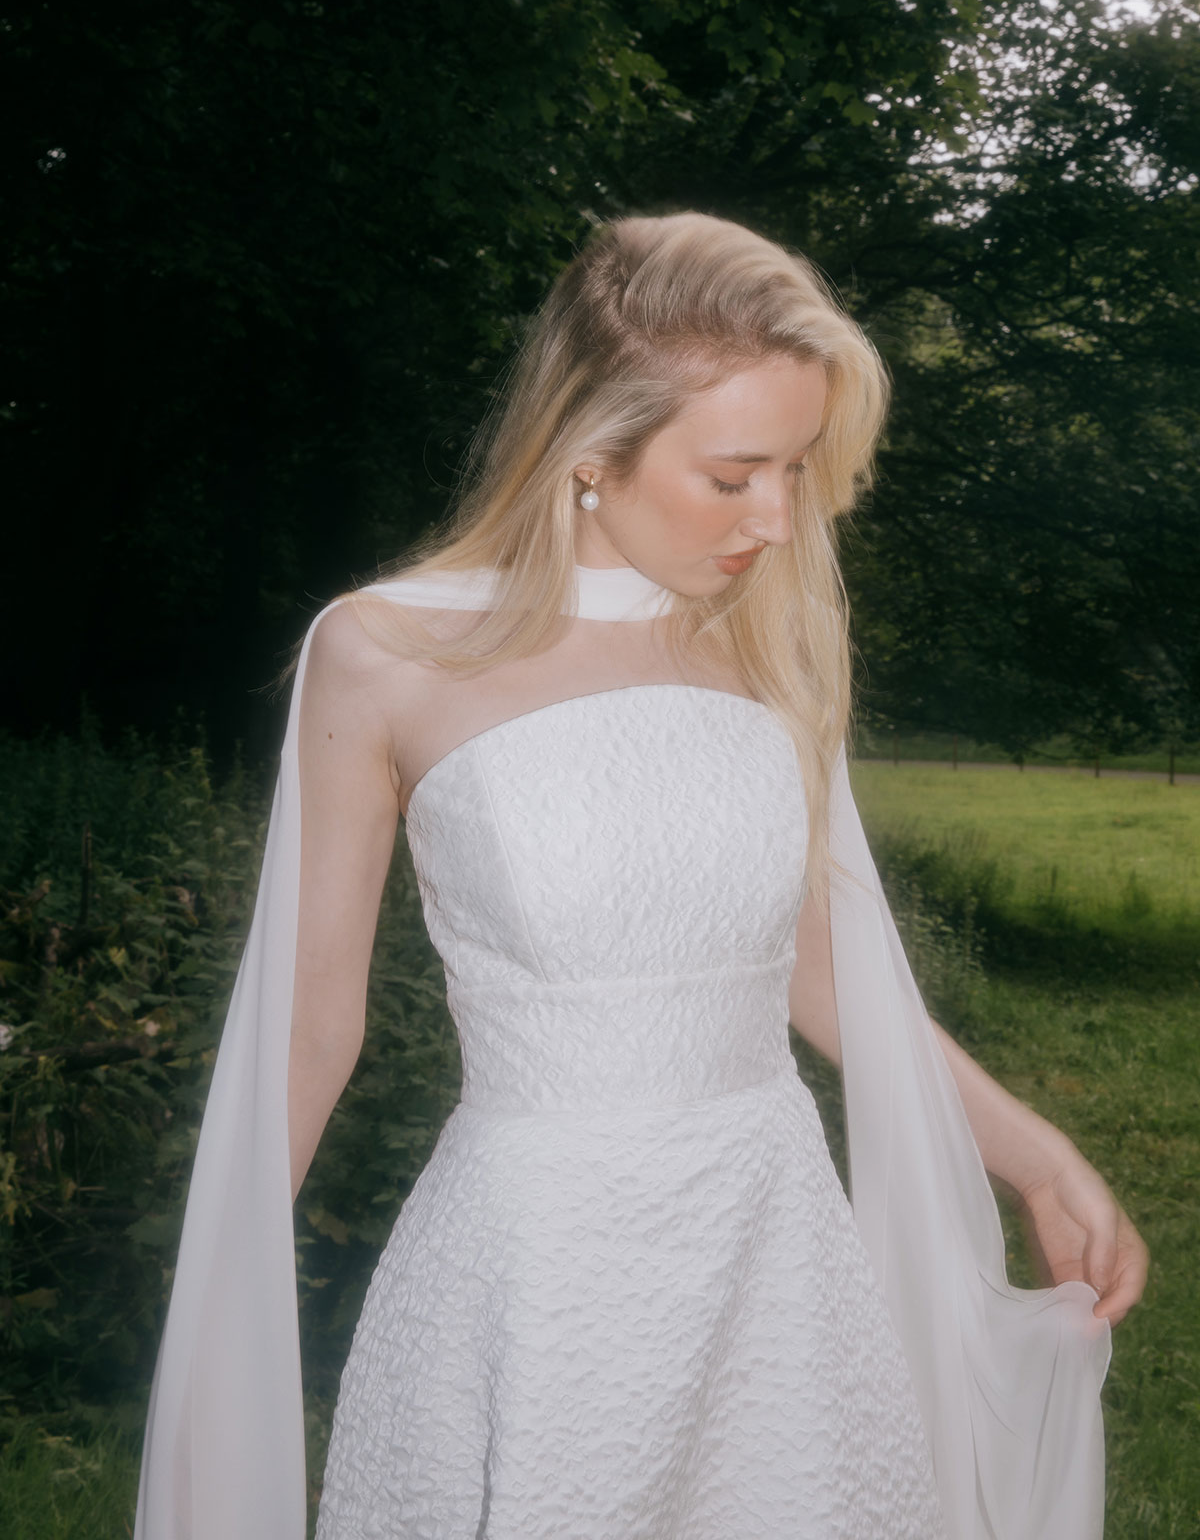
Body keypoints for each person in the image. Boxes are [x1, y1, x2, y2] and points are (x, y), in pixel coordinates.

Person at [134, 212, 1147, 1540]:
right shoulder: (382, 656)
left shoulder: (781, 642)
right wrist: (221, 1312)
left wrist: (1036, 1155)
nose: (779, 521)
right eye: (735, 476)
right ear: (591, 453)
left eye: (796, 469)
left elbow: (812, 965)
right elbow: (313, 1028)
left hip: (770, 1258)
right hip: (540, 1270)